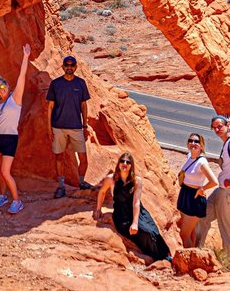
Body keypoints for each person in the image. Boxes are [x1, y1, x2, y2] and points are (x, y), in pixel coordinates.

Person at [93, 152, 171, 262]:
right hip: (121, 214)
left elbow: (136, 203)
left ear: (131, 165)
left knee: (153, 230)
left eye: (128, 162)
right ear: (118, 163)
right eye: (122, 161)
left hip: (137, 211)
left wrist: (135, 223)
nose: (124, 164)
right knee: (145, 233)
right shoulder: (111, 179)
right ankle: (159, 257)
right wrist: (98, 209)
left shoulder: (136, 181)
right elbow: (102, 192)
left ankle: (166, 254)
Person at [195, 115, 230, 271]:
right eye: (214, 127)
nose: (217, 129)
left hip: (229, 193)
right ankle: (198, 250)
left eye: (220, 126)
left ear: (228, 125)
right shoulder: (228, 141)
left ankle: (229, 266)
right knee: (202, 216)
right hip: (221, 190)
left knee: (228, 230)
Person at [0, 43, 31, 214]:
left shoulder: (16, 97)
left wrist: (26, 57)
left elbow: (22, 76)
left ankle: (17, 200)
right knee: (0, 170)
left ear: (7, 85)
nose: (1, 89)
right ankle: (3, 195)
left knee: (6, 171)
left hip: (9, 139)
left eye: (3, 86)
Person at [47, 54, 92, 198]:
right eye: (67, 65)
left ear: (76, 67)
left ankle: (81, 181)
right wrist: (49, 128)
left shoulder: (80, 83)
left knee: (83, 157)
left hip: (76, 127)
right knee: (59, 157)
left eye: (72, 65)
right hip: (58, 126)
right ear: (62, 67)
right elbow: (50, 107)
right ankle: (61, 186)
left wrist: (85, 126)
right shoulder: (56, 84)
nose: (69, 67)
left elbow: (84, 105)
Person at [176, 132, 218, 248]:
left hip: (194, 199)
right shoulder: (189, 156)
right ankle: (193, 257)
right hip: (185, 195)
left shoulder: (202, 162)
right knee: (191, 232)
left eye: (196, 141)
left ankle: (187, 260)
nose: (193, 143)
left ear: (202, 145)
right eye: (191, 141)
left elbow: (214, 181)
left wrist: (203, 189)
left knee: (184, 234)